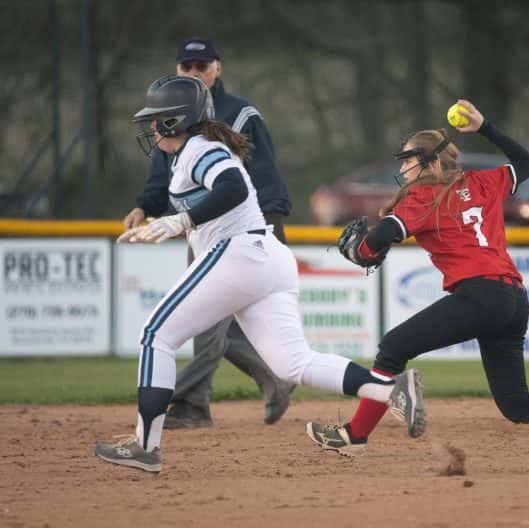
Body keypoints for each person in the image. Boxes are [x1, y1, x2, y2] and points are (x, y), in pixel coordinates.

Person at [95, 75, 425, 472]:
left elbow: (233, 187)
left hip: (240, 253)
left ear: (175, 122)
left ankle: (145, 446)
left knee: (155, 335)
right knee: (292, 364)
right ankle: (392, 389)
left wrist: (180, 222)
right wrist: (166, 216)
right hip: (266, 257)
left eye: (158, 118)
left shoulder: (201, 149)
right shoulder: (191, 152)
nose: (151, 126)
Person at [306, 99, 529, 456]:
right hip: (513, 300)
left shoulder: (424, 195)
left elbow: (379, 239)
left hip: (480, 296)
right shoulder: (483, 182)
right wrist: (485, 128)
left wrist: (362, 251)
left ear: (430, 161)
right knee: (517, 405)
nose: (403, 168)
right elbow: (527, 163)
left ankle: (355, 436)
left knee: (392, 349)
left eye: (408, 159)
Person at [122, 37, 293, 428]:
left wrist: (263, 227)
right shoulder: (170, 109)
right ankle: (274, 378)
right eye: (187, 66)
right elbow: (161, 176)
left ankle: (190, 405)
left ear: (218, 68)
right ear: (178, 69)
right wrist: (144, 207)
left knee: (205, 324)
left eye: (202, 66)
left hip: (246, 227)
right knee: (216, 322)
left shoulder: (239, 112)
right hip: (205, 228)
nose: (195, 72)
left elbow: (261, 175)